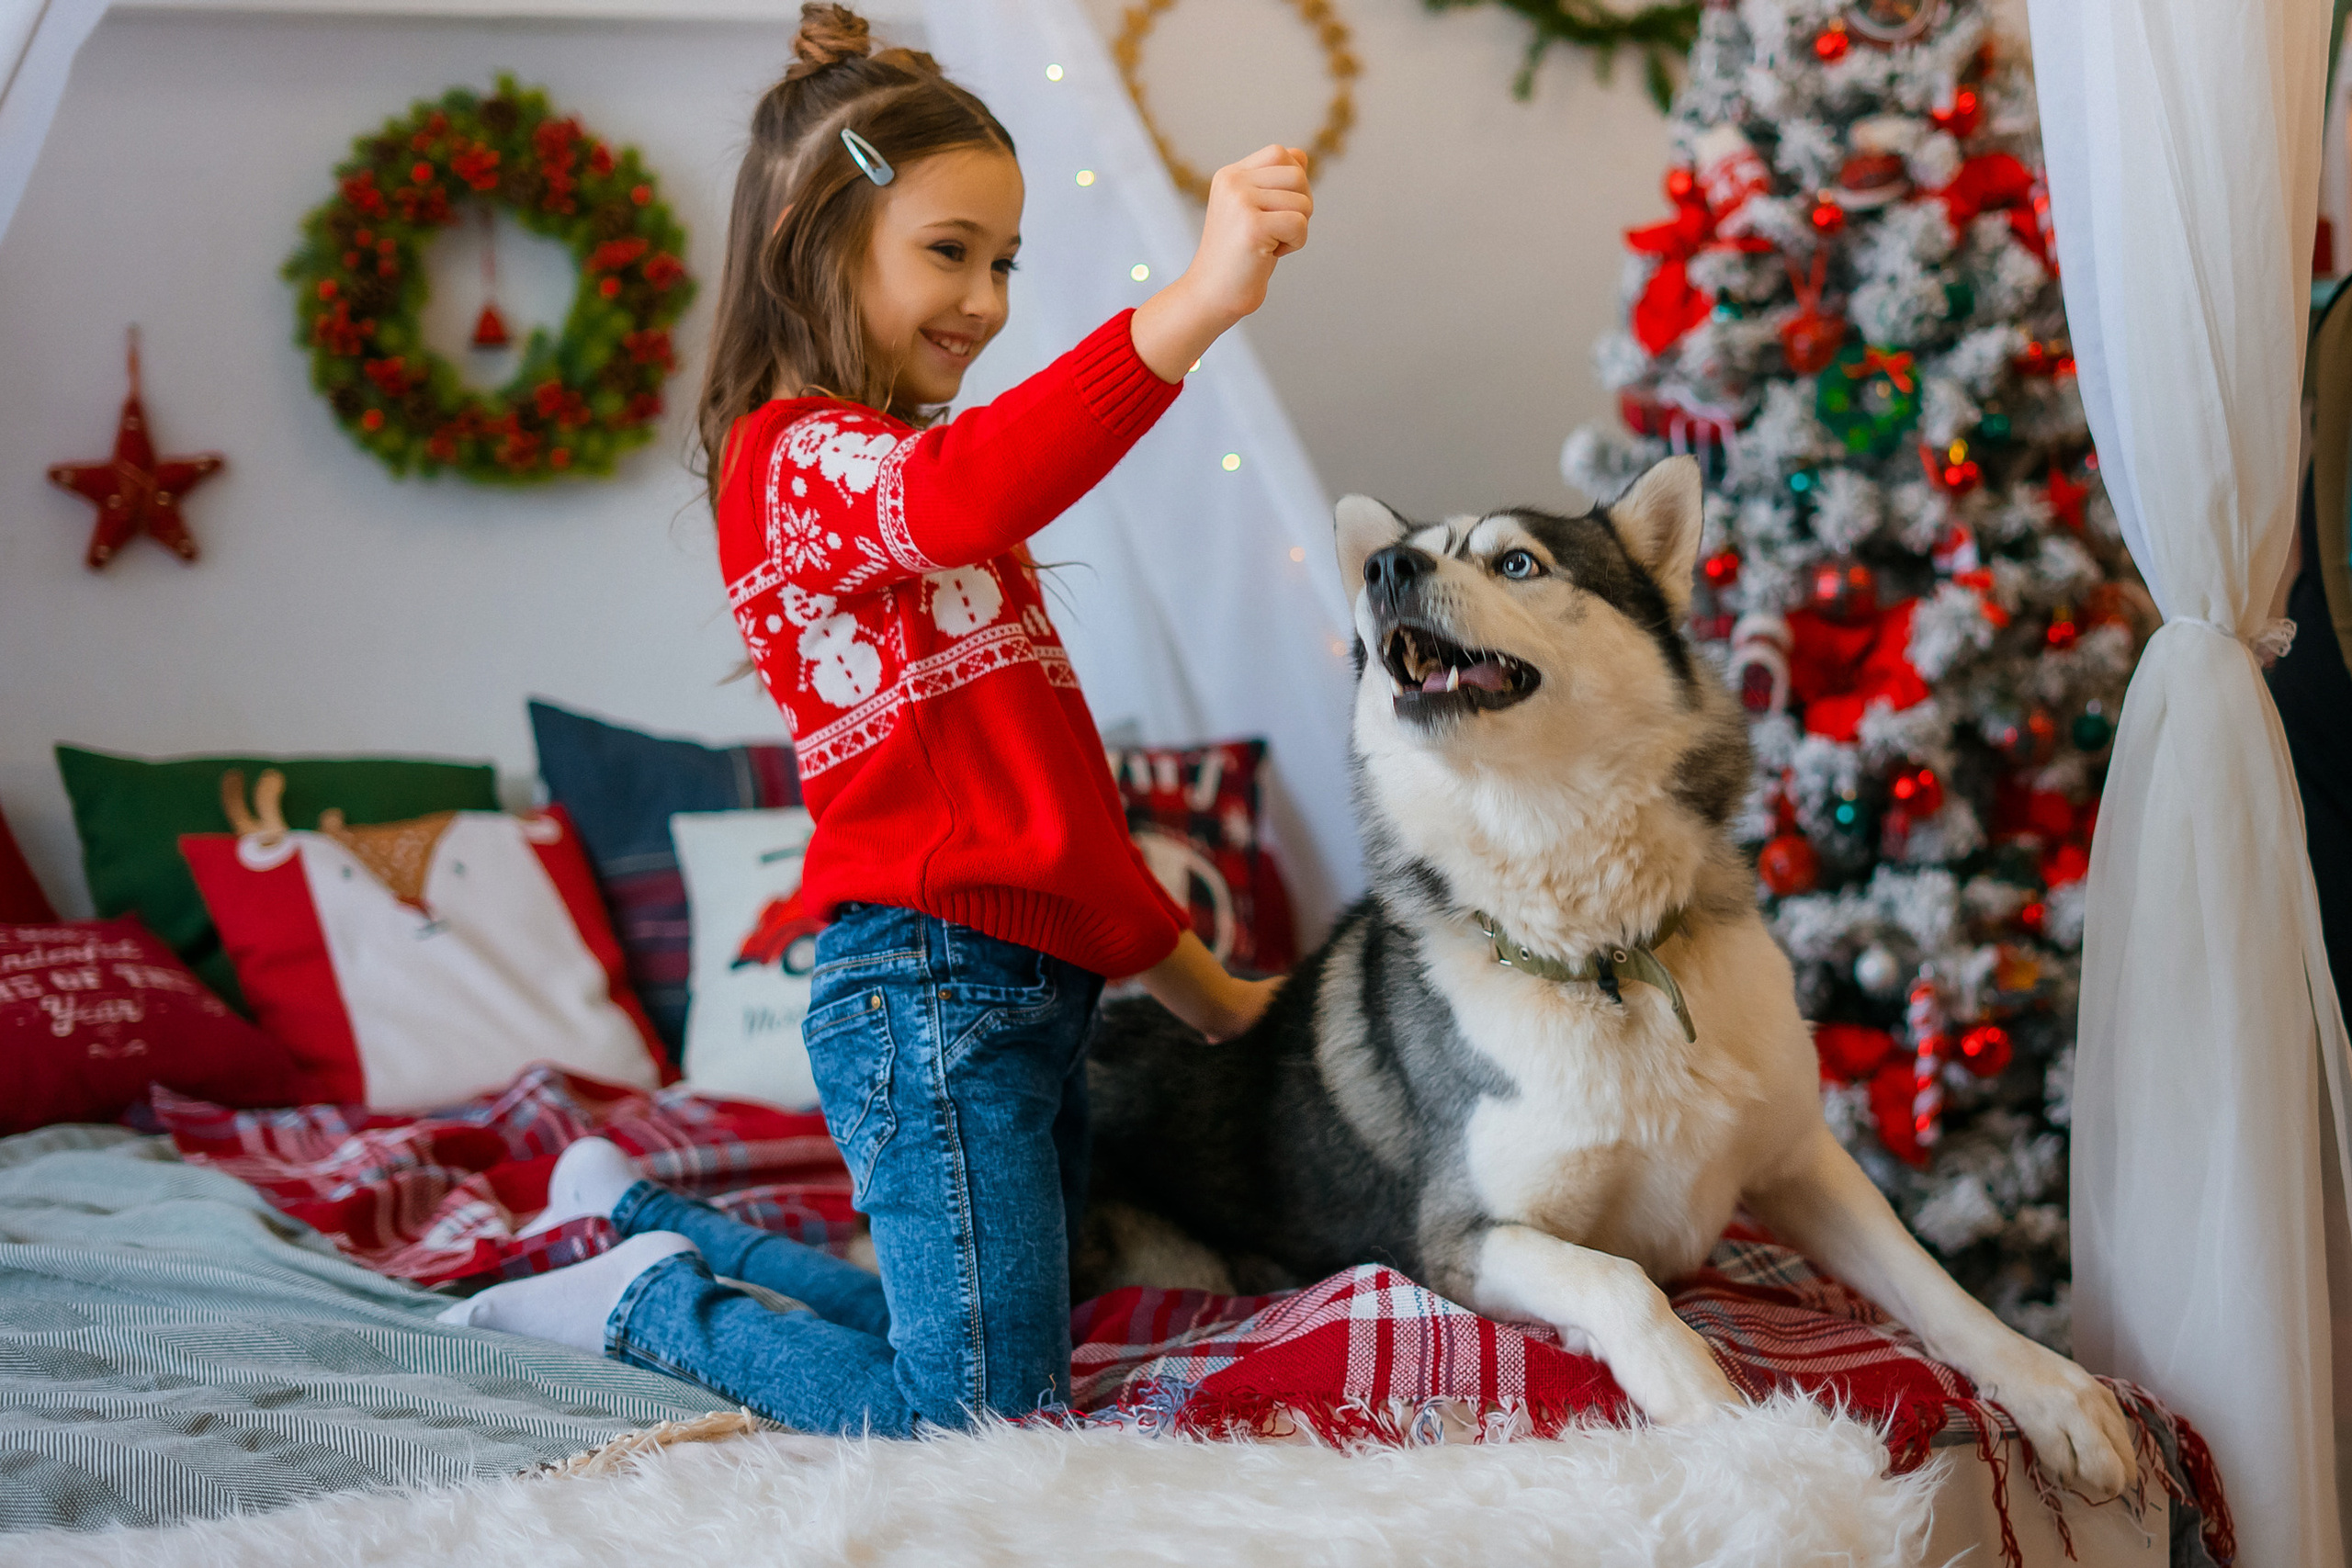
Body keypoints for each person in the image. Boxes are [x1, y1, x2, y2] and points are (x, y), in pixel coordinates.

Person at [440, 3, 1310, 1436]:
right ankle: (638, 1304)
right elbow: (974, 487)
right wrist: (1196, 301)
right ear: (810, 238)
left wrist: (1209, 996)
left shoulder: (909, 491)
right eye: (949, 252)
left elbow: (1053, 818)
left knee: (989, 1344)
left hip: (1029, 1000)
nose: (987, 298)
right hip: (926, 997)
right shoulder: (798, 466)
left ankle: (639, 1216)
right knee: (979, 1420)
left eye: (1006, 260)